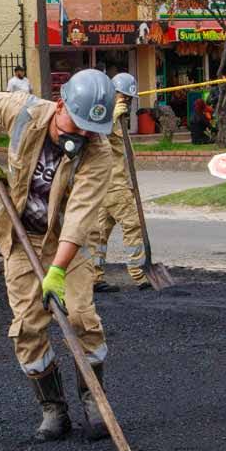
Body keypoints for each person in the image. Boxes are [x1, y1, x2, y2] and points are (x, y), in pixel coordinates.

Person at [0, 70, 115, 442]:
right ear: (60, 104)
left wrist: (55, 272)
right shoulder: (24, 111)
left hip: (69, 244)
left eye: (90, 129)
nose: (81, 136)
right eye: (77, 124)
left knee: (82, 317)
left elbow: (80, 219)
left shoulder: (99, 153)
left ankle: (94, 401)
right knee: (29, 327)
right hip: (21, 238)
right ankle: (53, 409)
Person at [88, 72, 148, 293]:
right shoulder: (104, 113)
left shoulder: (116, 115)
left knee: (99, 232)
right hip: (115, 185)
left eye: (128, 98)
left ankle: (94, 276)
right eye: (124, 96)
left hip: (108, 185)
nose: (126, 101)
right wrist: (112, 116)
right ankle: (140, 274)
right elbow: (94, 133)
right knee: (133, 226)